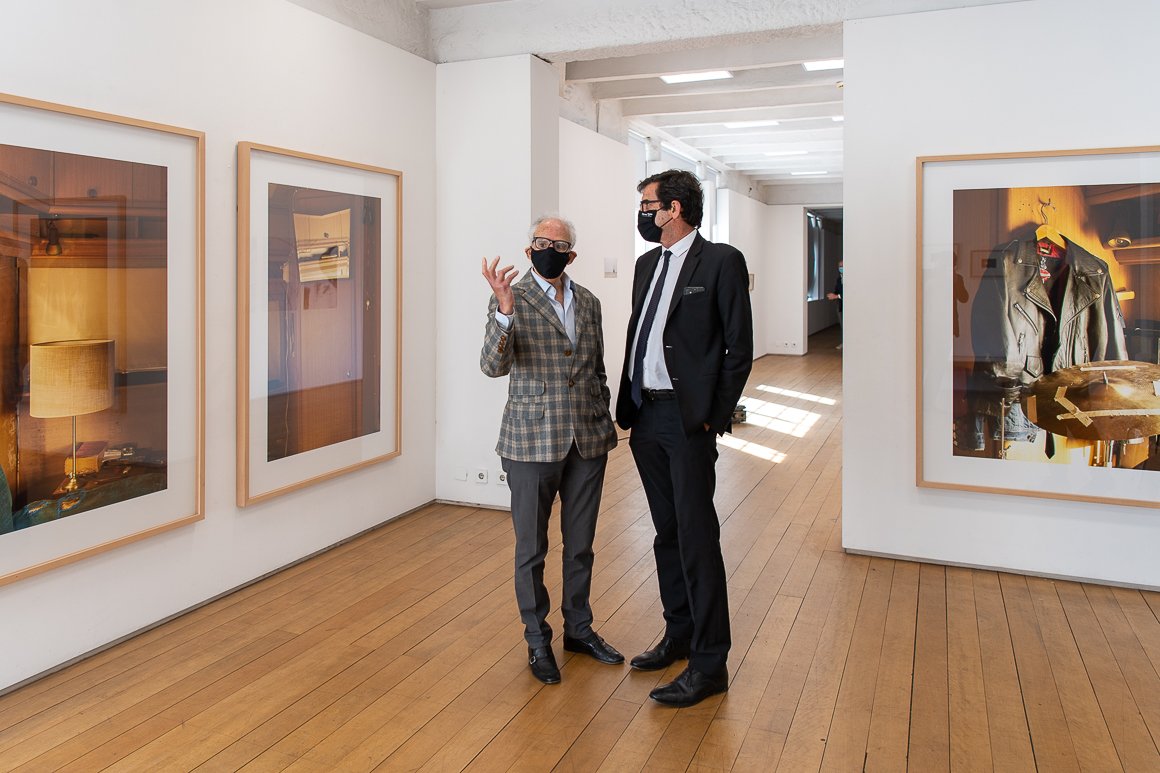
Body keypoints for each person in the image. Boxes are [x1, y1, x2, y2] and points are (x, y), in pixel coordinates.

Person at [615, 170, 754, 707]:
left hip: (687, 420)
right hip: (646, 416)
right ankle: (678, 634)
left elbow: (738, 348)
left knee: (697, 537)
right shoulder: (646, 265)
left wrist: (710, 417)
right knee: (667, 532)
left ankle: (710, 662)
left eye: (647, 205)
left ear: (673, 209)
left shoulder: (720, 261)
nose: (642, 214)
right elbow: (642, 333)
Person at [480, 215, 623, 685]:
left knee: (580, 545)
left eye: (558, 245)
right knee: (532, 549)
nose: (549, 250)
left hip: (587, 440)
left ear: (571, 255)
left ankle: (579, 630)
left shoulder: (590, 302)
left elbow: (597, 368)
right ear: (529, 251)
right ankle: (537, 640)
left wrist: (603, 418)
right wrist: (504, 312)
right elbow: (492, 366)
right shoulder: (512, 298)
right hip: (530, 442)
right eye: (541, 243)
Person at [826, 260, 843, 349]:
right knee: (842, 325)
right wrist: (833, 295)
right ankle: (844, 343)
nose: (841, 268)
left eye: (842, 266)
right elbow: (837, 290)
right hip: (840, 306)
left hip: (849, 307)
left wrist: (836, 296)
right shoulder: (839, 279)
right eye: (840, 266)